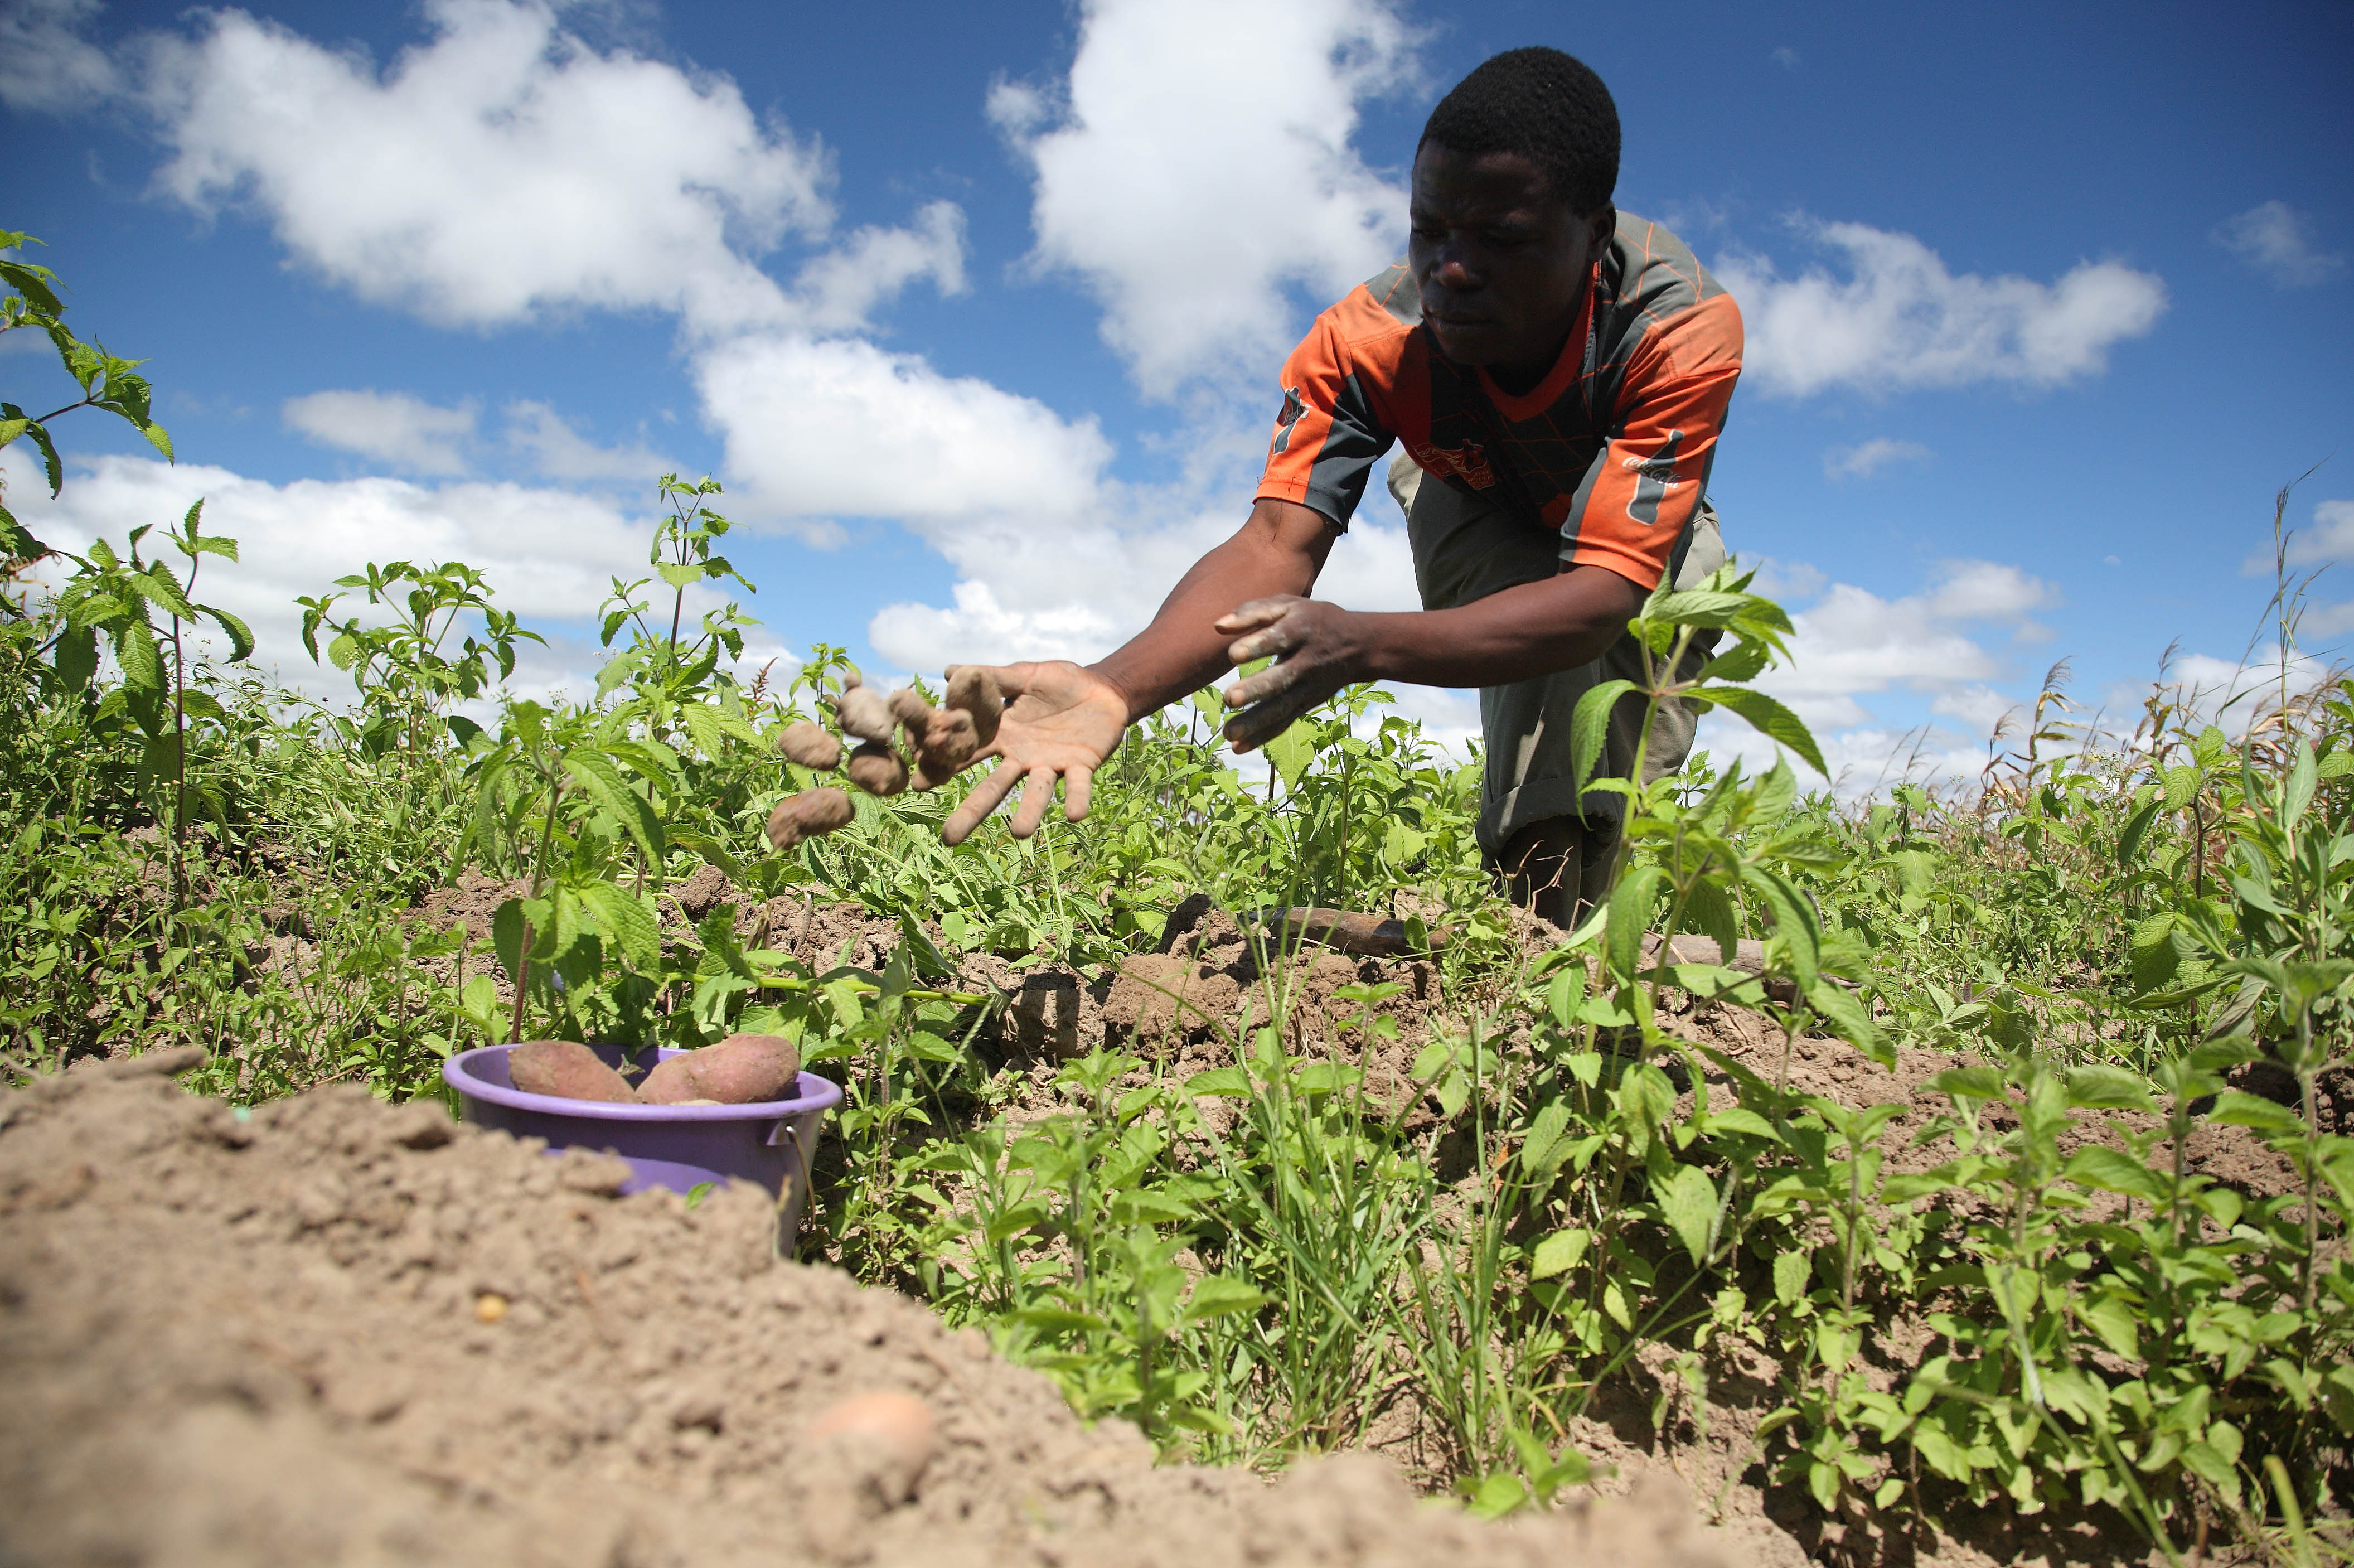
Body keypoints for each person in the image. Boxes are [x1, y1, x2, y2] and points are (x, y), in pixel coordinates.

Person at [940, 46, 1743, 928]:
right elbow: (1272, 546)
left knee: (1624, 741)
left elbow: (1595, 600)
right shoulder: (1368, 342)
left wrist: (1364, 643)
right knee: (1545, 714)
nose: (1452, 270)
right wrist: (1113, 686)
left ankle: (1579, 946)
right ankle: (1535, 951)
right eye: (1428, 230)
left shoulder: (1674, 326)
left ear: (1592, 236)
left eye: (1502, 241)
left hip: (1624, 532)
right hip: (1468, 489)